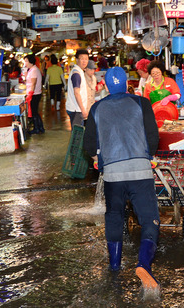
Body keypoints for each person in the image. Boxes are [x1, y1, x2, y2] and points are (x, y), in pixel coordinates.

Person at [83, 66, 161, 291]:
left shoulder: (97, 108)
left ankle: (115, 266)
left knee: (114, 216)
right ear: (127, 83)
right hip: (140, 172)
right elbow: (152, 136)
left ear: (106, 86)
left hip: (113, 175)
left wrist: (97, 157)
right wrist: (150, 155)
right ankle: (144, 264)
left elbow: (89, 144)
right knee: (149, 219)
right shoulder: (141, 103)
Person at [66, 49, 89, 127]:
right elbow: (76, 92)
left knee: (78, 134)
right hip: (76, 109)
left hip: (76, 108)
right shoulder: (77, 73)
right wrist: (83, 110)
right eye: (82, 58)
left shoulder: (79, 71)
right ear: (76, 59)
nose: (84, 61)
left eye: (86, 59)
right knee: (77, 135)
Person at [25, 54, 44, 134]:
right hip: (35, 93)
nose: (25, 63)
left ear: (30, 62)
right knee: (35, 111)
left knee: (34, 112)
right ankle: (40, 128)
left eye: (26, 61)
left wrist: (30, 94)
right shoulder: (32, 69)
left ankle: (37, 128)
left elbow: (33, 83)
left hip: (35, 94)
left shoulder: (34, 70)